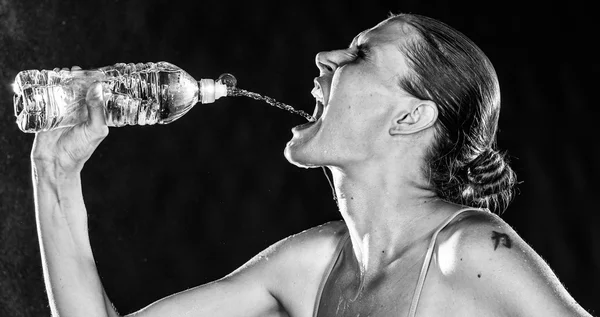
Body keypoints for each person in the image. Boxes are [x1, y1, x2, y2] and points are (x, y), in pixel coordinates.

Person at [30, 13, 592, 317]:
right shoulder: (312, 266)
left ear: (411, 117)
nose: (326, 58)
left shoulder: (467, 252)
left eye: (361, 53)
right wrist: (55, 173)